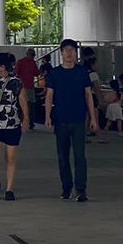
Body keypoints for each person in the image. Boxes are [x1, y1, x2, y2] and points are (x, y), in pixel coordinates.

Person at [44, 38, 99, 202]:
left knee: (80, 156)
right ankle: (66, 187)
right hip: (60, 120)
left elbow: (88, 95)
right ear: (61, 53)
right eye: (66, 50)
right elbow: (49, 96)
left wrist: (93, 118)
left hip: (78, 120)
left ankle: (81, 189)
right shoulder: (54, 73)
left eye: (72, 50)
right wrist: (47, 116)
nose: (69, 53)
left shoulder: (82, 72)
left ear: (76, 53)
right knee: (62, 156)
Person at [0, 51, 30, 201]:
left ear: (2, 67)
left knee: (11, 157)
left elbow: (23, 101)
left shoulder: (16, 82)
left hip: (12, 121)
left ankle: (10, 189)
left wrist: (26, 119)